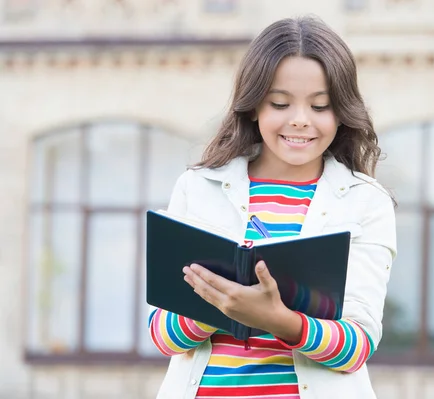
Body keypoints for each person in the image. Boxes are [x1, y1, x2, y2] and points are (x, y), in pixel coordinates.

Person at [148, 15, 397, 399]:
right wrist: (224, 306)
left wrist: (279, 320)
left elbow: (357, 344)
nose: (300, 120)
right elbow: (161, 334)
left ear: (342, 111)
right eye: (280, 103)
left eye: (320, 106)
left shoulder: (367, 202)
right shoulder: (197, 188)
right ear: (253, 107)